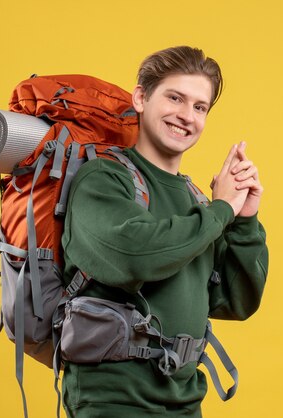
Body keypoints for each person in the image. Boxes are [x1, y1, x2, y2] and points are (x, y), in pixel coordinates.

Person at [60, 46, 269, 417]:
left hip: (184, 400)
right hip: (113, 401)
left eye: (200, 107)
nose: (186, 116)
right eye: (175, 98)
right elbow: (134, 257)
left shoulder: (197, 201)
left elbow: (237, 302)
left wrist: (244, 220)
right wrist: (222, 209)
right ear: (141, 97)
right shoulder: (103, 179)